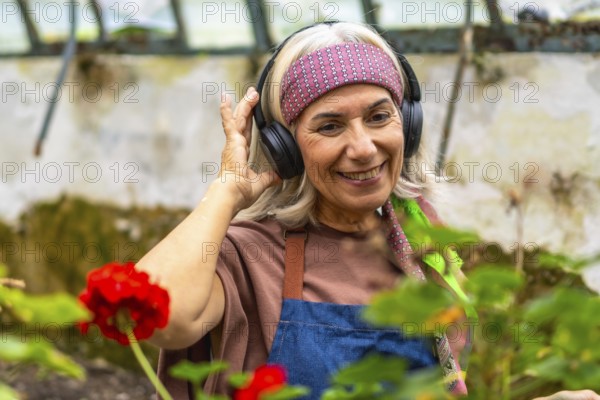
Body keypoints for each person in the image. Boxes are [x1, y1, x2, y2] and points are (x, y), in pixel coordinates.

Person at [136, 21, 600, 400]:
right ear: (286, 149)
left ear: (408, 125)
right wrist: (228, 190)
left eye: (379, 117)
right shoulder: (247, 255)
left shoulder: (419, 238)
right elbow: (159, 315)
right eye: (330, 125)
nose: (363, 147)